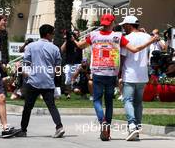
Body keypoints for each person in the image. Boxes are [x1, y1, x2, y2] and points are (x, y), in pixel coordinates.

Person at [73, 13, 159, 141]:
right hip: (113, 73)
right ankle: (118, 128)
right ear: (112, 23)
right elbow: (135, 49)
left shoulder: (93, 35)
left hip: (98, 72)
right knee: (110, 102)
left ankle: (104, 122)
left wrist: (72, 39)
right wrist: (150, 41)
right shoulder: (118, 36)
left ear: (102, 23)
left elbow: (80, 46)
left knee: (97, 100)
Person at [14, 24, 65, 138]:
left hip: (33, 80)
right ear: (48, 34)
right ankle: (59, 127)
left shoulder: (31, 46)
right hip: (48, 81)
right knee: (51, 106)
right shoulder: (55, 48)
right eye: (52, 33)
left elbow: (26, 62)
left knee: (28, 106)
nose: (53, 35)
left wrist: (26, 75)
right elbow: (58, 67)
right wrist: (57, 81)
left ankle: (23, 129)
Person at [119, 16, 158, 141]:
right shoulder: (147, 37)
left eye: (124, 25)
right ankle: (137, 127)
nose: (123, 27)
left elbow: (123, 58)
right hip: (142, 75)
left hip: (129, 74)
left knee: (128, 100)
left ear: (129, 25)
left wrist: (118, 73)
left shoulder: (126, 38)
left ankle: (131, 125)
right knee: (138, 102)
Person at [61, 29, 83, 99]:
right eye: (74, 33)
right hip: (69, 63)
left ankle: (82, 93)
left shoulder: (80, 41)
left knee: (77, 80)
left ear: (79, 34)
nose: (75, 35)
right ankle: (68, 94)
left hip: (78, 63)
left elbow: (80, 46)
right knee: (67, 79)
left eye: (76, 34)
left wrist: (74, 40)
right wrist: (66, 40)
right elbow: (62, 49)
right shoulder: (68, 41)